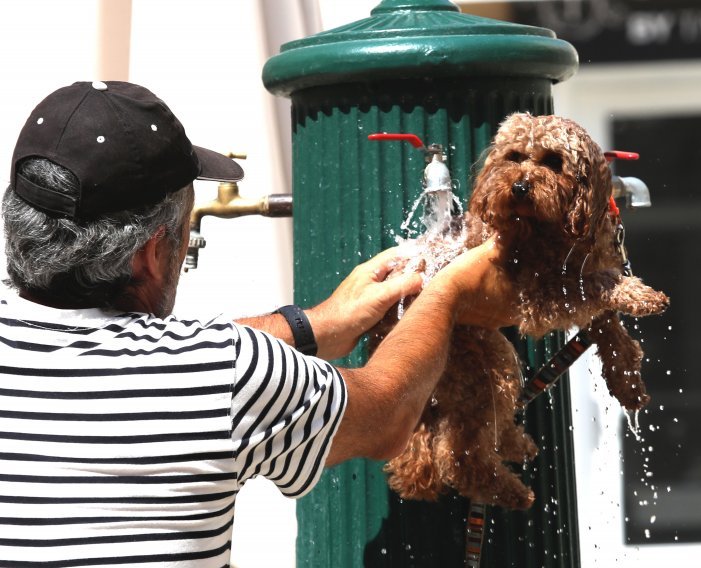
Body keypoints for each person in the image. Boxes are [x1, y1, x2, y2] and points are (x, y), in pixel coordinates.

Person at [0, 81, 518, 566]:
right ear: (152, 254)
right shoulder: (226, 371)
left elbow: (155, 358)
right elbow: (387, 413)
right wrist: (449, 290)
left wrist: (309, 326)